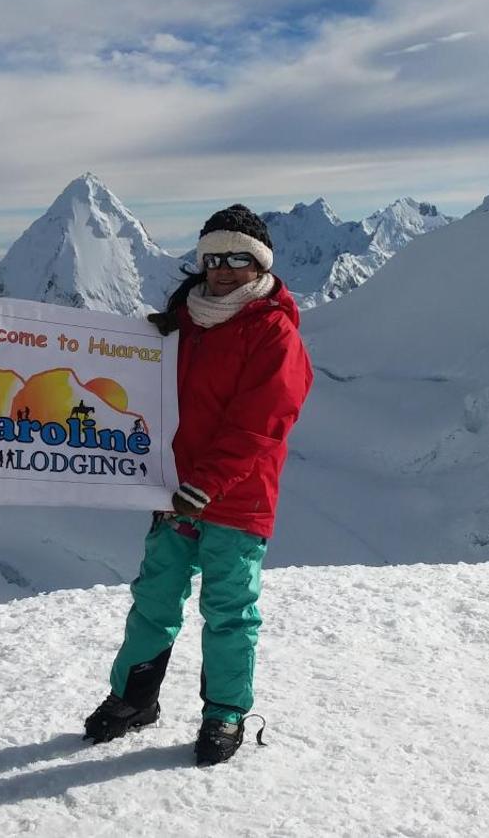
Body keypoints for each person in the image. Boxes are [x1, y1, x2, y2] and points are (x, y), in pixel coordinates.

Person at [84, 204, 313, 765]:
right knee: (153, 600)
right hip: (173, 492)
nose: (223, 269)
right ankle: (134, 700)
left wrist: (206, 483)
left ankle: (225, 712)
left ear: (259, 264)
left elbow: (264, 421)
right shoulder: (182, 322)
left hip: (236, 498)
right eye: (213, 258)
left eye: (238, 258)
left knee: (230, 609)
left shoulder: (273, 331)